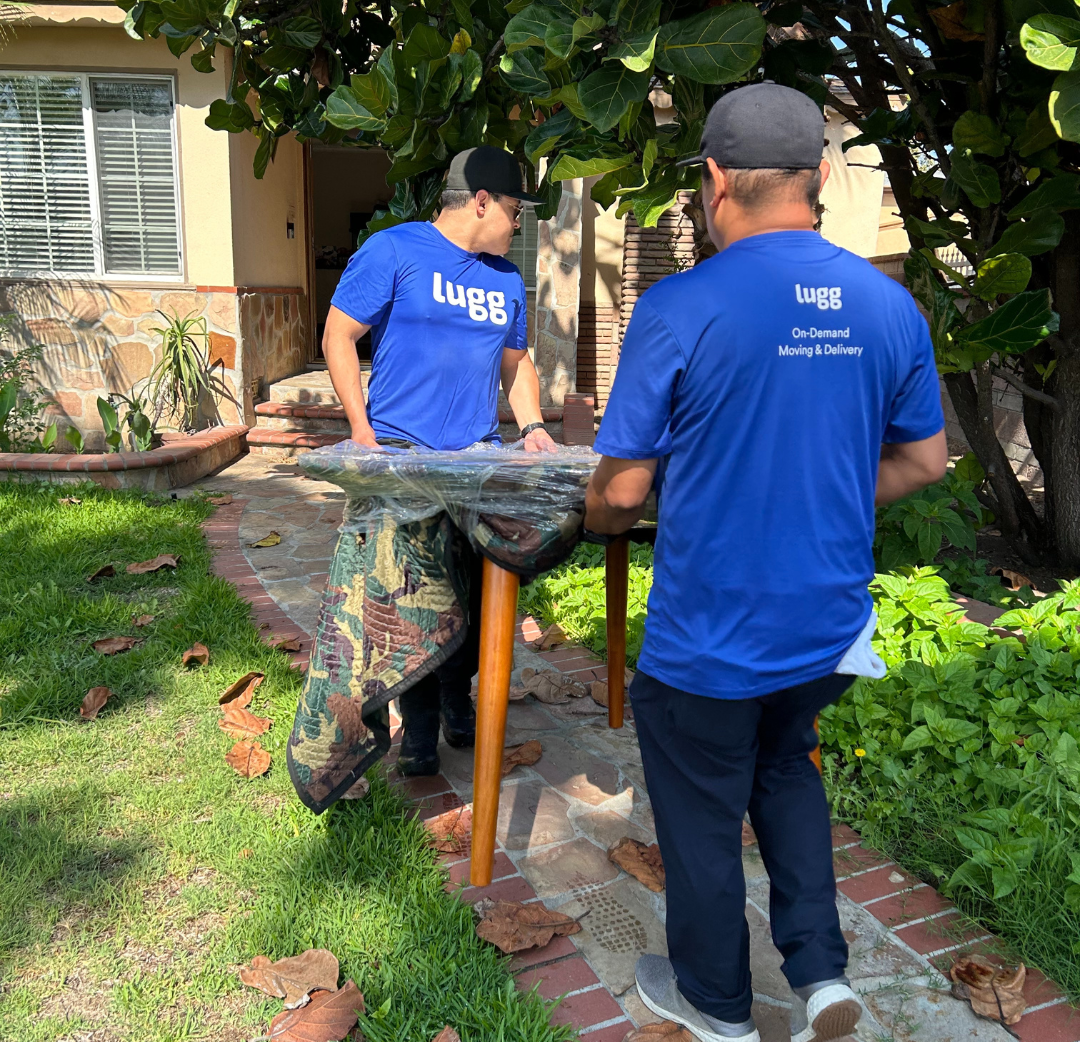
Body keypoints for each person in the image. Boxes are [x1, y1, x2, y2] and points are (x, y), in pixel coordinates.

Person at [584, 83, 948, 1042]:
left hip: (710, 637)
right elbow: (924, 460)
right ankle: (822, 977)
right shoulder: (887, 304)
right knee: (786, 771)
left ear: (714, 179)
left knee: (702, 809)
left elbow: (622, 493)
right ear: (818, 176)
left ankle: (717, 1004)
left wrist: (592, 514)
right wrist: (817, 491)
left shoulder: (679, 306)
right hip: (824, 627)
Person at [323, 145, 558, 776]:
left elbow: (516, 363)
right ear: (480, 201)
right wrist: (362, 433)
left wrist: (532, 426)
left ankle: (460, 701)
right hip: (402, 457)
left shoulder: (506, 279)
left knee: (477, 595)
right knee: (410, 603)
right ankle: (420, 730)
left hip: (476, 461)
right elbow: (338, 335)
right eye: (514, 211)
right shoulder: (393, 250)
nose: (519, 225)